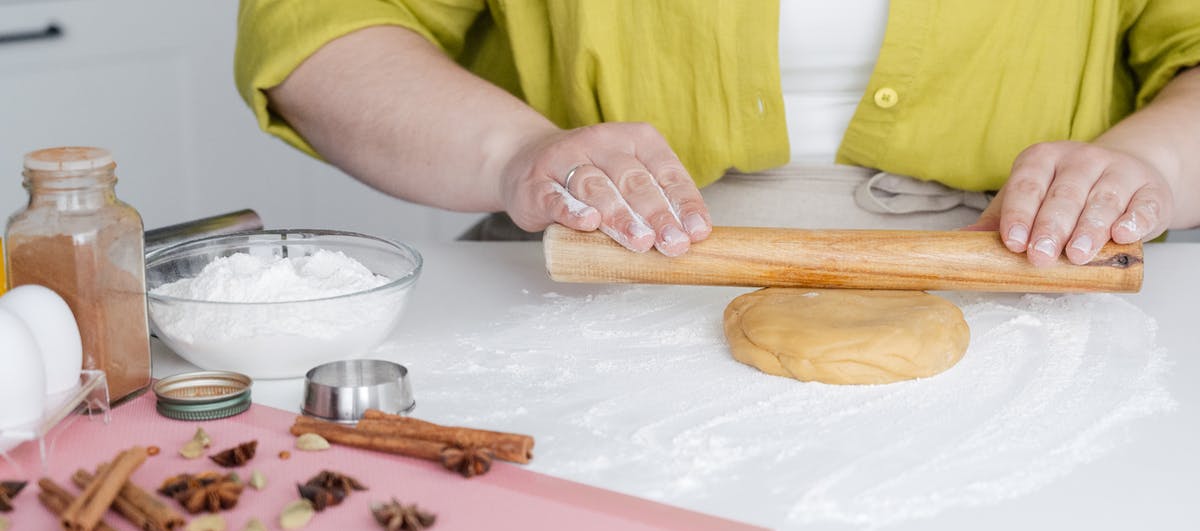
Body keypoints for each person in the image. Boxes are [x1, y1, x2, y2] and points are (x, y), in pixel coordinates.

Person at [234, 1, 1200, 266]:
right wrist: (515, 155)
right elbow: (321, 32)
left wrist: (1144, 165)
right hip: (600, 258)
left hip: (1040, 275)